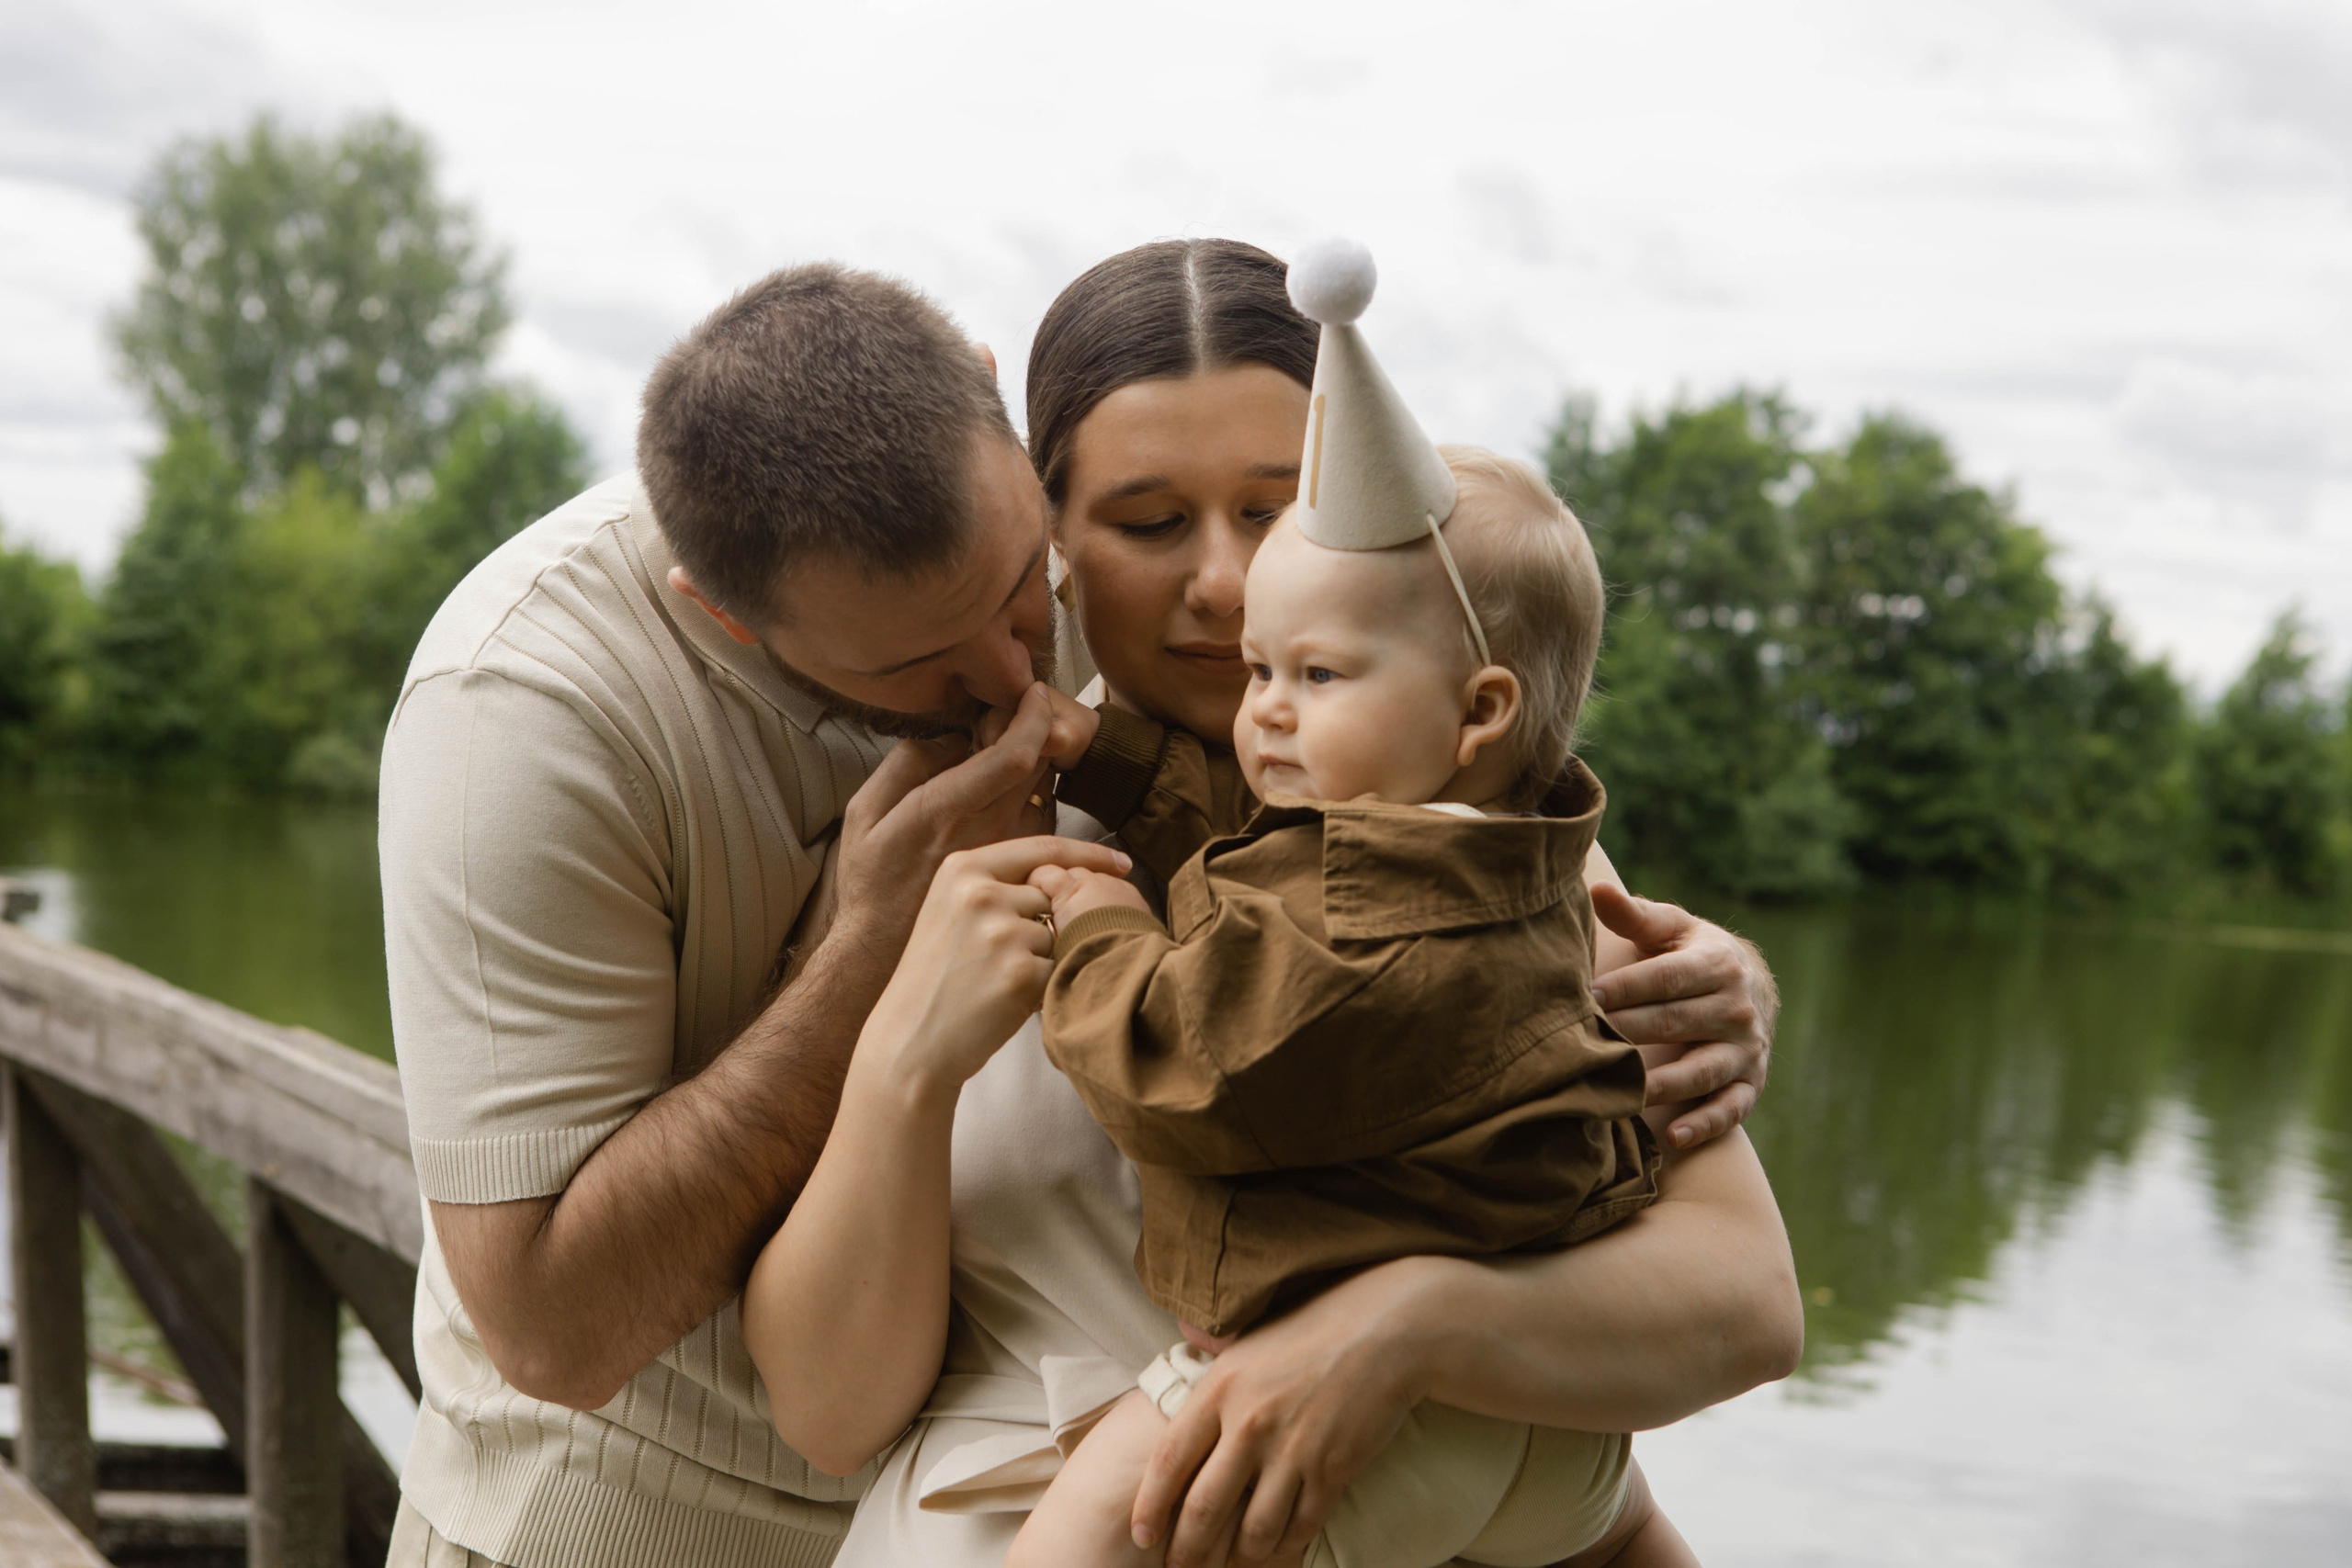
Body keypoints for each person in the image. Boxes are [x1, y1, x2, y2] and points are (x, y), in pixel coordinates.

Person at [741, 239, 1801, 1568]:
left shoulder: (1483, 851)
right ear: (1048, 536)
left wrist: (1398, 1328)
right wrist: (903, 1053)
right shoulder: (952, 840)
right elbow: (828, 1415)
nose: (1228, 579)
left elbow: (1748, 1306)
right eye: (1147, 521)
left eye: (1276, 508)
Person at [378, 265, 1129, 1568]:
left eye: (1021, 588)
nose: (1018, 678)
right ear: (718, 612)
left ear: (1004, 411)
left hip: (980, 1514)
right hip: (624, 1526)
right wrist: (870, 956)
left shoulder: (1086, 539)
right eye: (918, 666)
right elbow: (555, 1333)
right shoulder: (521, 708)